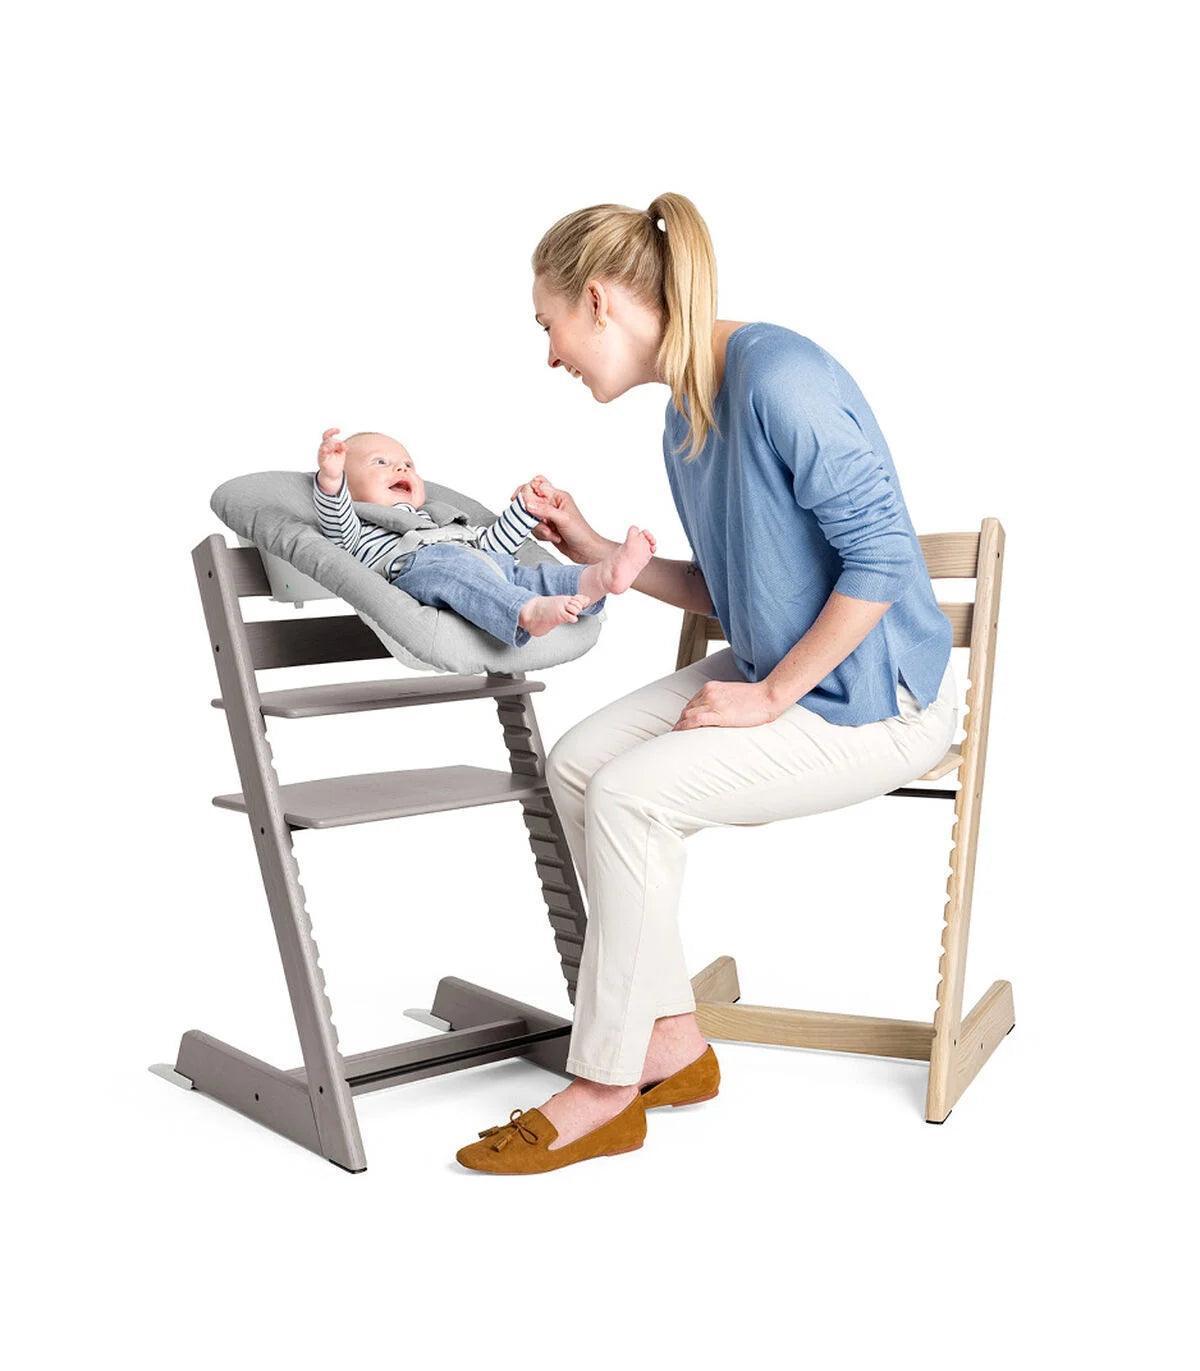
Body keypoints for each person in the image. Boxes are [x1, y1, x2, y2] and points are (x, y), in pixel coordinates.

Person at [454, 192, 958, 1175]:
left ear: (598, 301)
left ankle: (606, 1086)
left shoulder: (779, 376)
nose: (549, 352)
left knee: (635, 800)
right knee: (581, 765)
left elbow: (884, 559)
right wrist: (604, 551)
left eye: (547, 324)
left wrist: (768, 700)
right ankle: (672, 1043)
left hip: (876, 702)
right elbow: (738, 589)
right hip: (787, 671)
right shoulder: (687, 414)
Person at [311, 427, 655, 646]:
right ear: (349, 487)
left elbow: (491, 546)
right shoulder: (360, 524)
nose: (400, 469)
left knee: (525, 574)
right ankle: (526, 611)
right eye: (380, 462)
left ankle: (598, 577)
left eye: (408, 464)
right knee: (455, 574)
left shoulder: (437, 519)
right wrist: (331, 479)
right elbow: (335, 519)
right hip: (420, 573)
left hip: (481, 563)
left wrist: (526, 509)